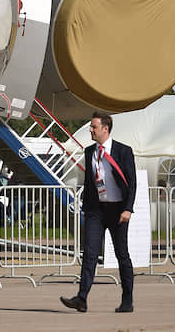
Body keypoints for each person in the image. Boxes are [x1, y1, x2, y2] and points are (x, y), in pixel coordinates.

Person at [60, 112, 136, 313]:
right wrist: (86, 209)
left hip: (118, 209)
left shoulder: (123, 151)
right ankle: (82, 298)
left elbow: (132, 182)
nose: (90, 130)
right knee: (90, 254)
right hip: (96, 210)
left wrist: (128, 208)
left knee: (122, 255)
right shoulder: (89, 152)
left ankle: (127, 300)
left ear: (105, 129)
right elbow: (89, 183)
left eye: (94, 127)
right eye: (90, 127)